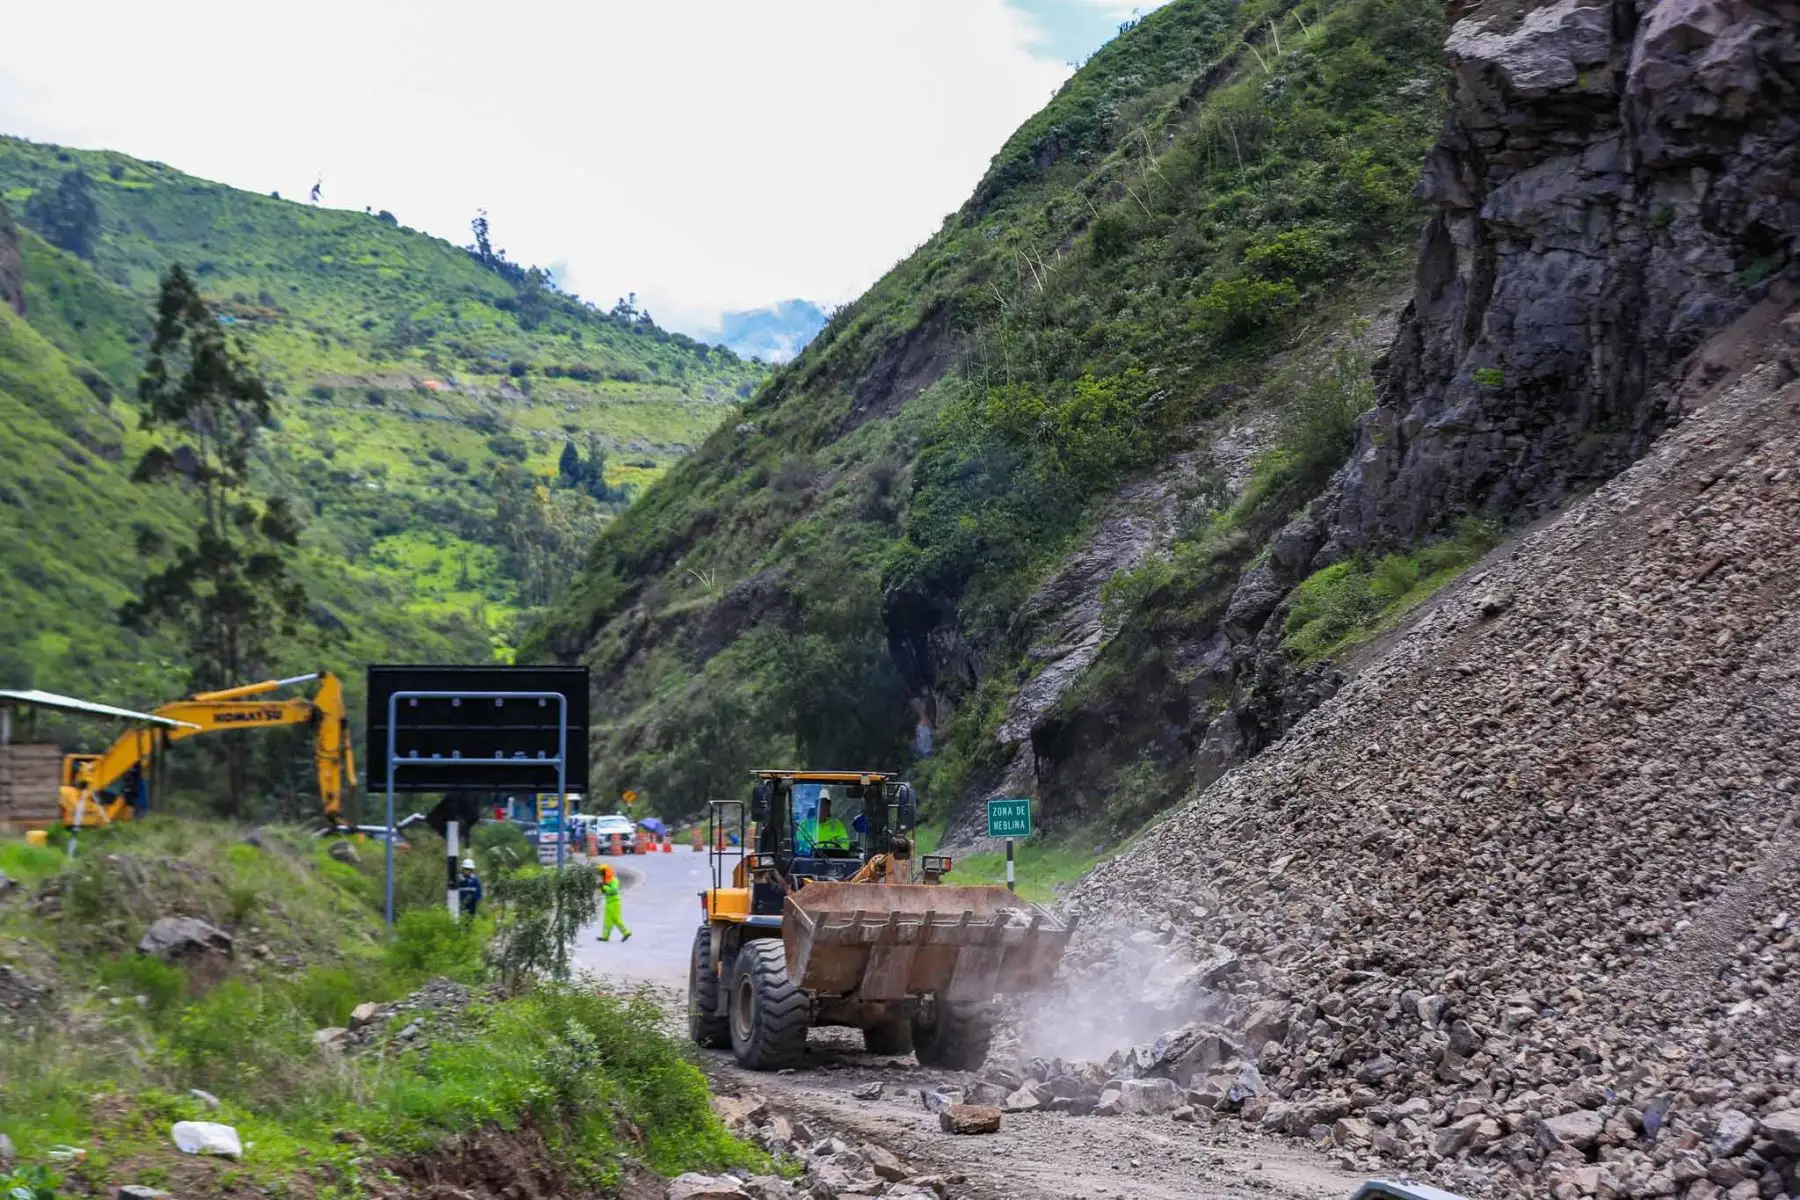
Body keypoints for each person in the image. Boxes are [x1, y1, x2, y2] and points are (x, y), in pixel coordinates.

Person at [802, 790, 852, 856]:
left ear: (829, 809)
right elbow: (801, 845)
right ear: (815, 808)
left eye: (825, 808)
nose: (823, 810)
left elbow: (845, 845)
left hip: (833, 860)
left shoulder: (837, 824)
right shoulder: (805, 824)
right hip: (809, 860)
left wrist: (835, 848)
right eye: (820, 807)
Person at [596, 862, 631, 942]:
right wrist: (600, 887)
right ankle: (605, 936)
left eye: (602, 873)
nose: (601, 875)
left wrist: (603, 886)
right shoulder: (605, 881)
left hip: (614, 901)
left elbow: (614, 890)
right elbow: (605, 891)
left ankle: (626, 932)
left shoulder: (614, 880)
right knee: (607, 920)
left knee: (616, 918)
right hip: (608, 902)